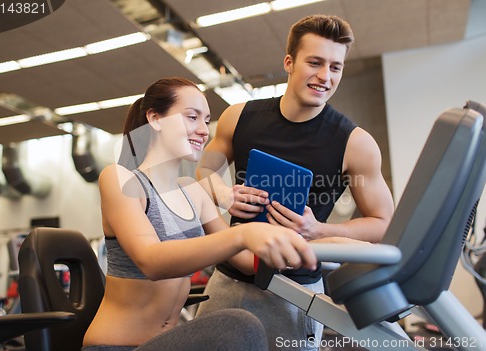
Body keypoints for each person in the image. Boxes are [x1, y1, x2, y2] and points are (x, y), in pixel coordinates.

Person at [195, 14, 395, 351]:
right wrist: (224, 194)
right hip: (227, 281)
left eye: (335, 67)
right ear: (289, 62)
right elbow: (203, 174)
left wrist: (320, 230)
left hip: (297, 293)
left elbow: (383, 222)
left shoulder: (354, 142)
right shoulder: (239, 117)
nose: (324, 76)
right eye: (314, 62)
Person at [82, 77, 318, 351]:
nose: (204, 130)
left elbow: (244, 261)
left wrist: (294, 240)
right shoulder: (120, 178)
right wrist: (244, 233)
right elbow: (151, 261)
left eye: (206, 121)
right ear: (155, 119)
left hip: (166, 342)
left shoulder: (191, 191)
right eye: (192, 117)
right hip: (117, 346)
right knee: (238, 325)